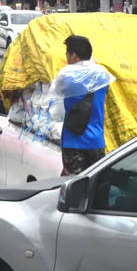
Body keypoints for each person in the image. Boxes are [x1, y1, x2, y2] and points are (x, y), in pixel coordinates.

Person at [49, 35, 115, 175]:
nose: (66, 57)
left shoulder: (66, 77)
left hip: (73, 142)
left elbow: (55, 106)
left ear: (74, 55)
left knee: (76, 186)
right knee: (95, 186)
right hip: (96, 142)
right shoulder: (102, 75)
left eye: (67, 54)